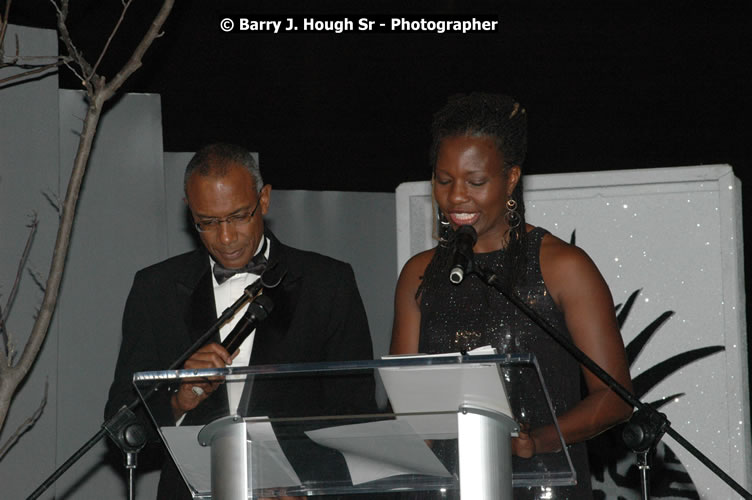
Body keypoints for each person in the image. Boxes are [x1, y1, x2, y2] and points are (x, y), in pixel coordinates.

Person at [390, 93, 634, 499]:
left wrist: (536, 440)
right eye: (444, 180)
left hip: (541, 483)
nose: (456, 198)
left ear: (511, 178)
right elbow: (409, 410)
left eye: (476, 182)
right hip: (444, 489)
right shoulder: (418, 274)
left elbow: (614, 398)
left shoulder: (563, 267)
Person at [105, 143, 375, 500]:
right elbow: (120, 424)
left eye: (237, 216)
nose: (226, 237)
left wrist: (307, 489)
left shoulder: (327, 284)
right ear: (190, 212)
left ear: (263, 200)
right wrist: (177, 401)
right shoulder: (155, 289)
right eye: (208, 223)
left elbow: (354, 419)